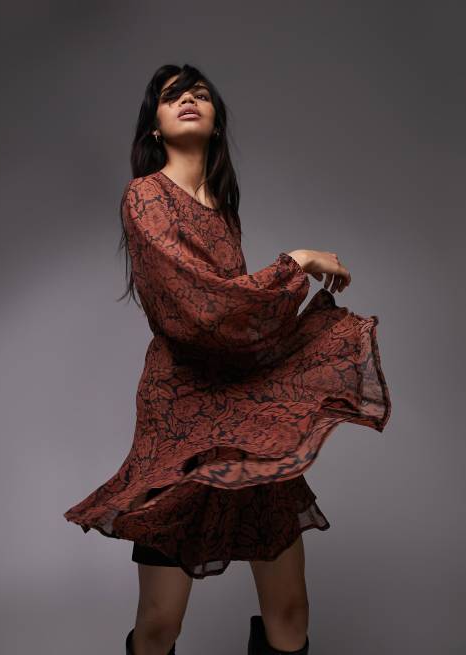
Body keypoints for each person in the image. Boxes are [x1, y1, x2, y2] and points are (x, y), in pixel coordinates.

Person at [63, 63, 391, 655]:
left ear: (215, 122)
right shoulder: (144, 196)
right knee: (160, 623)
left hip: (245, 409)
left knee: (290, 614)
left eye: (199, 94)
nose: (188, 99)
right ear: (154, 126)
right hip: (182, 413)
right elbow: (202, 310)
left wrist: (300, 341)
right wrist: (296, 261)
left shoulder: (223, 208)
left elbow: (243, 323)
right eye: (171, 96)